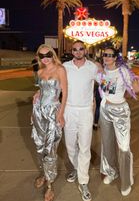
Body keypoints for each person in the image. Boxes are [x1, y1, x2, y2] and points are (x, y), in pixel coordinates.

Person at [97, 47, 139, 197]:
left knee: (123, 147)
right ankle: (112, 172)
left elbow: (136, 89)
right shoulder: (101, 72)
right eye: (105, 55)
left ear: (115, 57)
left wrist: (134, 78)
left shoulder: (123, 71)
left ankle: (126, 181)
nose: (107, 57)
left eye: (110, 55)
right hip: (104, 110)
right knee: (107, 143)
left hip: (120, 111)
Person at [63, 40, 101, 201]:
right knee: (70, 146)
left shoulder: (92, 67)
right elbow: (55, 85)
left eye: (81, 49)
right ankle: (77, 169)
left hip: (85, 112)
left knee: (84, 148)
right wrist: (39, 93)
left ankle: (83, 181)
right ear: (72, 52)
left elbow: (106, 84)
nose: (78, 51)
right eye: (75, 49)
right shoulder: (65, 67)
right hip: (68, 111)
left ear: (85, 50)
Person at [31, 44, 67, 201]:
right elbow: (42, 89)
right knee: (39, 146)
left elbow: (64, 92)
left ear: (53, 55)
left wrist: (61, 114)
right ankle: (44, 174)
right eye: (41, 56)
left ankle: (50, 185)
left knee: (51, 148)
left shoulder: (60, 70)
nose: (45, 58)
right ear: (38, 57)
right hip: (38, 112)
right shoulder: (39, 71)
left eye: (47, 55)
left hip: (53, 112)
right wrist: (36, 94)